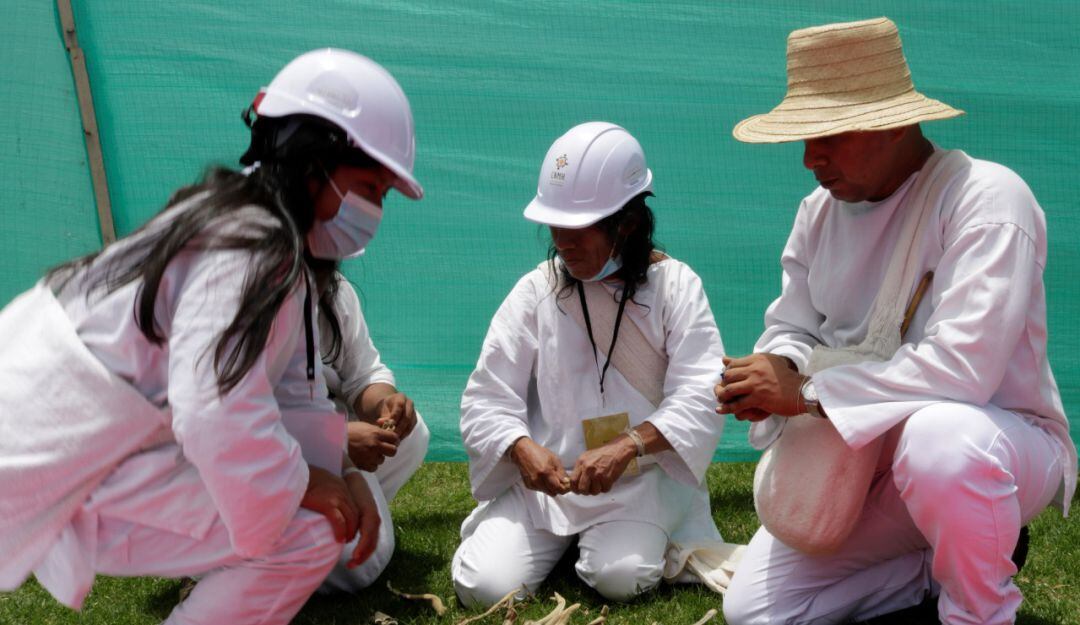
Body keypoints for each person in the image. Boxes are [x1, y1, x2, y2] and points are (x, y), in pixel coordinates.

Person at [0, 48, 423, 625]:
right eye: (368, 187)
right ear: (310, 160)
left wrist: (345, 475)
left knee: (312, 520)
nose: (373, 211)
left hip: (80, 448)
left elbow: (293, 397)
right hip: (44, 448)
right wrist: (307, 482)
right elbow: (214, 409)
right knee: (305, 527)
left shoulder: (266, 240)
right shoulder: (250, 247)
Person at [716, 18, 1076, 625]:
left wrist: (804, 393)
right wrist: (772, 368)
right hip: (859, 462)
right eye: (805, 137)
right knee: (755, 612)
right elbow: (794, 327)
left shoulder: (986, 198)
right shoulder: (817, 212)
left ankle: (979, 609)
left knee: (940, 439)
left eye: (829, 134)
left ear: (893, 122)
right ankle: (948, 556)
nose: (809, 158)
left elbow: (963, 371)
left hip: (997, 449)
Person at [453, 122, 727, 607]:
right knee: (484, 587)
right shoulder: (536, 291)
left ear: (628, 222)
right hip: (546, 486)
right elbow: (486, 397)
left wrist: (628, 445)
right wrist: (521, 448)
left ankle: (621, 537)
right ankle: (562, 540)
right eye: (555, 225)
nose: (563, 241)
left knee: (619, 577)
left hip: (640, 481)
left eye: (578, 227)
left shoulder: (676, 287)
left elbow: (702, 393)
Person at [312, 263, 430, 592]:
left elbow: (363, 373)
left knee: (410, 434)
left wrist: (385, 404)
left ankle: (347, 515)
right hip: (250, 463)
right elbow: (238, 421)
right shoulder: (236, 303)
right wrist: (336, 443)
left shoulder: (333, 287)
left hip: (312, 438)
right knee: (357, 564)